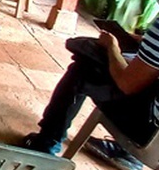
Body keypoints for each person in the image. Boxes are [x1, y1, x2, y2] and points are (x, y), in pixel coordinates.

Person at [21, 12, 159, 159]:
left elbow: (127, 84)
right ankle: (127, 155)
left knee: (85, 69)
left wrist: (112, 47)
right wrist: (145, 43)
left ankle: (46, 143)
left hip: (147, 131)